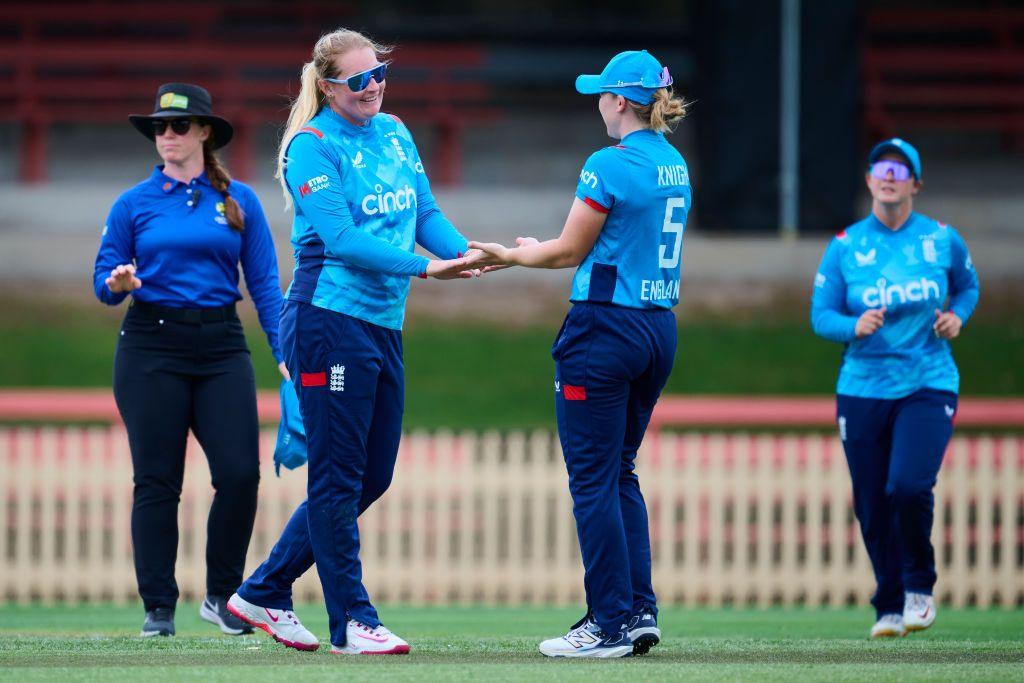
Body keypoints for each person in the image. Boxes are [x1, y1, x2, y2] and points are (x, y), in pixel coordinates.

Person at [224, 28, 476, 655]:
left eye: (379, 74)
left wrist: (469, 254)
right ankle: (352, 623)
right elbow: (340, 240)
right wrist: (425, 269)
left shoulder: (394, 131)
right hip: (327, 319)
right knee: (336, 479)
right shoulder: (311, 147)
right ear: (328, 85)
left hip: (382, 324)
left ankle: (262, 591)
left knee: (374, 473)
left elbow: (423, 213)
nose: (373, 87)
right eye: (358, 79)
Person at [466, 50, 689, 658]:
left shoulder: (608, 164)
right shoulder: (674, 163)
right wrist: (549, 246)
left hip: (605, 330)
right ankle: (637, 611)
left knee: (592, 478)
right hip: (657, 329)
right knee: (619, 472)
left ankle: (610, 621)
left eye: (602, 94)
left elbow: (569, 252)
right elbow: (604, 243)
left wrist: (509, 254)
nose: (598, 103)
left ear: (619, 101)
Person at [93, 83, 287, 637]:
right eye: (159, 127)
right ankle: (159, 607)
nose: (168, 136)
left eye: (179, 126)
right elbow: (103, 280)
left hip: (222, 345)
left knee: (240, 474)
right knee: (157, 480)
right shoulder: (132, 203)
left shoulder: (239, 200)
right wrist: (117, 282)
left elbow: (266, 288)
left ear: (204, 132)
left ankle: (223, 595)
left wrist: (283, 356)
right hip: (151, 345)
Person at [811, 138, 980, 638]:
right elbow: (821, 315)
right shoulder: (845, 245)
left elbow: (968, 287)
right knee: (871, 500)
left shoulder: (942, 239)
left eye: (900, 170)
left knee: (906, 485)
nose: (889, 176)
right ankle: (888, 604)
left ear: (915, 184)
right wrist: (853, 327)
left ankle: (918, 587)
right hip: (862, 386)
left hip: (928, 380)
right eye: (880, 168)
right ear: (868, 181)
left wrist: (957, 317)